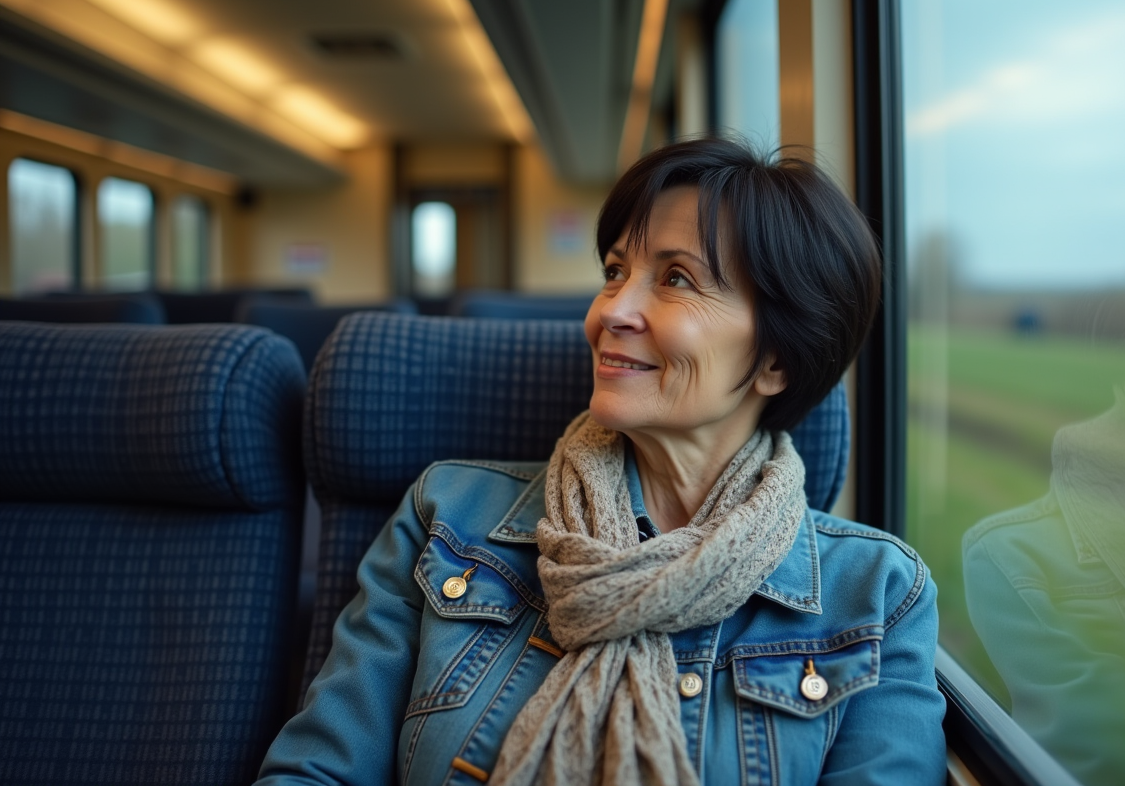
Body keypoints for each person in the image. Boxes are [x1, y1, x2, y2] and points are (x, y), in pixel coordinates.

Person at [256, 138, 945, 785]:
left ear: (776, 359)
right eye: (616, 271)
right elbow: (317, 771)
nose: (613, 309)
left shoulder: (878, 594)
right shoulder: (446, 517)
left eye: (675, 278)